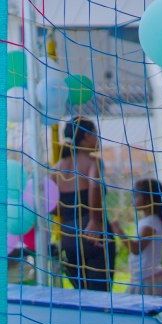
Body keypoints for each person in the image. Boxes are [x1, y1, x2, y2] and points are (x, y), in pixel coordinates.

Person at [52, 118, 114, 291]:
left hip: (69, 235)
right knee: (100, 293)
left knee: (82, 292)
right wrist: (94, 220)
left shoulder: (56, 167)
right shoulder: (93, 162)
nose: (98, 139)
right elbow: (94, 187)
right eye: (96, 134)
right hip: (92, 233)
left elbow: (51, 204)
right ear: (86, 136)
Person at [121, 178, 162, 297]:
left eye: (136, 196)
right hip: (142, 278)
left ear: (147, 200)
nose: (132, 200)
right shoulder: (149, 221)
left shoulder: (151, 223)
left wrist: (118, 231)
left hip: (150, 281)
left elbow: (136, 248)